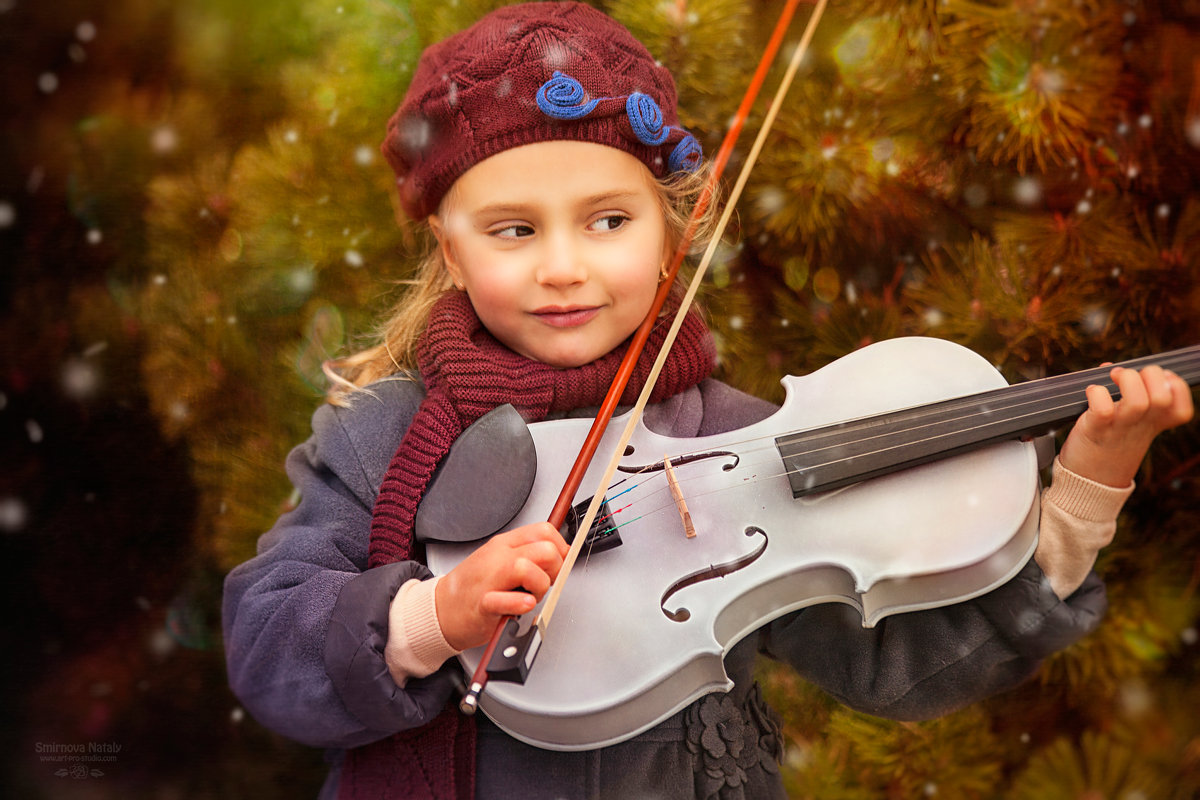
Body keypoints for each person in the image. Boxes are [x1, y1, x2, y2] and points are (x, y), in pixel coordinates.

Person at [221, 3, 1195, 799]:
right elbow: (269, 643)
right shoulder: (379, 433)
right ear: (449, 247)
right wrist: (431, 613)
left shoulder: (734, 435)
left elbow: (899, 666)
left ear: (670, 228)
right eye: (513, 229)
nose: (564, 266)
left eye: (608, 219)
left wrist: (1078, 497)